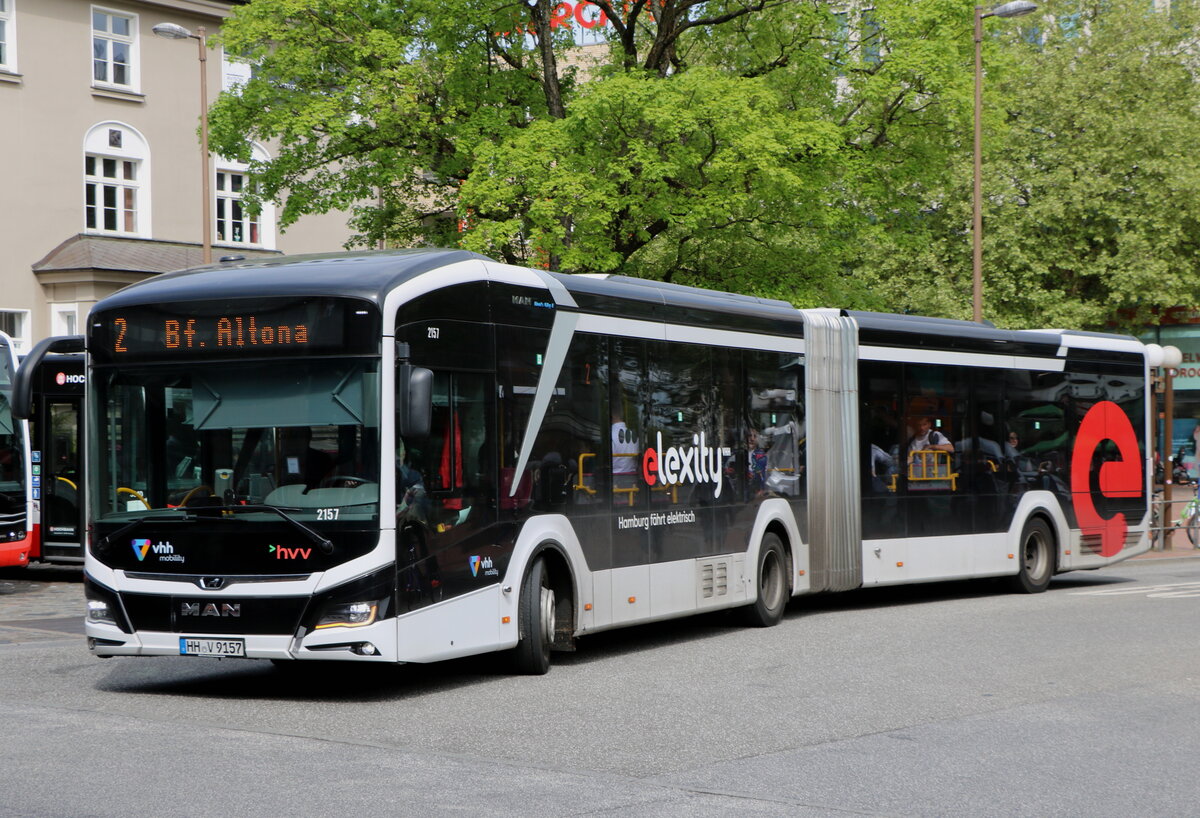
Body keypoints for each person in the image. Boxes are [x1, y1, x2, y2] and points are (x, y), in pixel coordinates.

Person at [611, 411, 639, 488]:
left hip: (614, 482)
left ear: (612, 416)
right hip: (632, 481)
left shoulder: (610, 435)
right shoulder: (634, 436)